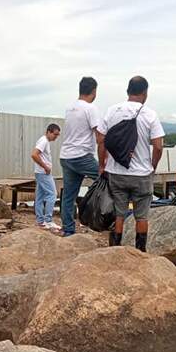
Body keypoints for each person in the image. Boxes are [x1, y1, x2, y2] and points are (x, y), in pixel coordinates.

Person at [96, 76, 165, 251]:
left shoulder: (112, 111)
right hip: (141, 174)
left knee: (119, 212)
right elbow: (158, 146)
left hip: (116, 172)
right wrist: (153, 166)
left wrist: (102, 164)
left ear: (128, 91)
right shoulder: (149, 114)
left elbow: (101, 140)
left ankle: (116, 248)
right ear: (145, 92)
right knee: (141, 216)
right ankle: (140, 251)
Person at [59, 77, 102, 236]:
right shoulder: (90, 109)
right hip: (81, 156)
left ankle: (69, 230)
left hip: (66, 156)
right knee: (106, 180)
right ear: (94, 91)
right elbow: (100, 136)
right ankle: (94, 212)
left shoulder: (69, 108)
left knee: (68, 196)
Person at [33, 124, 61, 231]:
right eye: (55, 134)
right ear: (48, 132)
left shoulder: (44, 141)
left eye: (57, 135)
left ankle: (41, 221)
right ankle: (48, 220)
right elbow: (34, 154)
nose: (56, 137)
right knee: (52, 194)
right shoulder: (44, 141)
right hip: (43, 172)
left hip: (40, 172)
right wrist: (45, 166)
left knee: (40, 197)